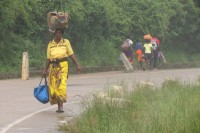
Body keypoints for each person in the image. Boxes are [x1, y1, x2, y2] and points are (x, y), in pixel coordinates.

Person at [42, 28, 81, 113]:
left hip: (63, 66)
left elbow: (71, 54)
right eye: (57, 33)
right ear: (54, 34)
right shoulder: (50, 44)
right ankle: (58, 104)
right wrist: (45, 69)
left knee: (61, 85)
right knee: (54, 87)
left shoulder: (65, 42)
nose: (58, 34)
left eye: (60, 33)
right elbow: (48, 58)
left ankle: (61, 106)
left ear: (62, 34)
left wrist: (77, 64)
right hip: (53, 67)